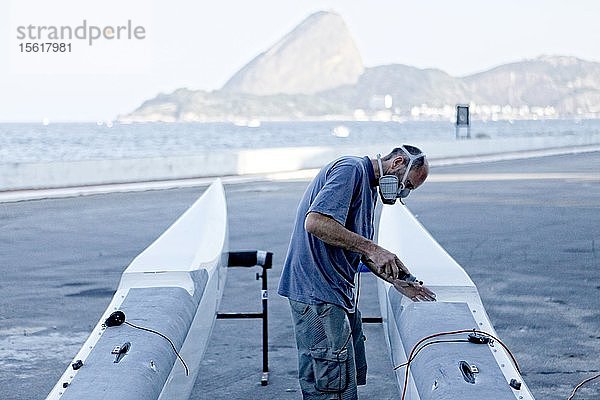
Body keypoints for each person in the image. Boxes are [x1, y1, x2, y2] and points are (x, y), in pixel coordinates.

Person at [277, 145, 436, 400]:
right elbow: (315, 222)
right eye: (406, 185)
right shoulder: (350, 169)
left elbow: (360, 250)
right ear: (396, 162)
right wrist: (374, 248)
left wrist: (397, 280)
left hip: (335, 292)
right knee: (331, 385)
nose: (402, 192)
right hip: (318, 292)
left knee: (344, 377)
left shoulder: (368, 188)